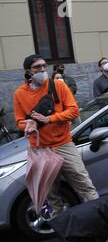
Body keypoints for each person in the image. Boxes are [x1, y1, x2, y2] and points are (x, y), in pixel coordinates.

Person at [14, 55, 98, 218]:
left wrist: (49, 119)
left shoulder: (58, 85)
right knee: (51, 194)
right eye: (37, 67)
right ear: (28, 72)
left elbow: (74, 110)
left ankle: (99, 217)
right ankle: (60, 226)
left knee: (85, 184)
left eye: (44, 66)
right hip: (40, 149)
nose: (42, 70)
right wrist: (27, 126)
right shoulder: (19, 94)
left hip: (63, 144)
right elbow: (19, 121)